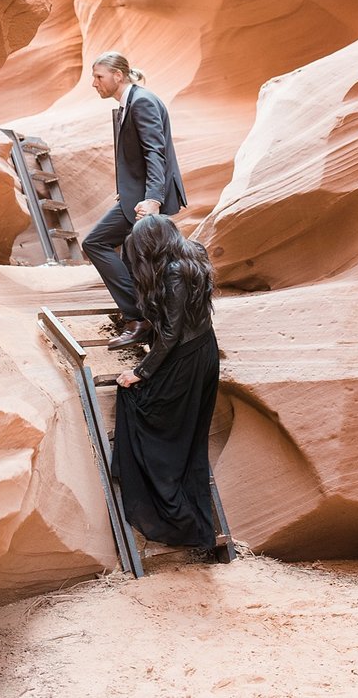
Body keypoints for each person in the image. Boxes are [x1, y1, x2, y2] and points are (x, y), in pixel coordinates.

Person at [112, 215, 219, 550]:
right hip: (204, 351)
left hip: (185, 357)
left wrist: (139, 372)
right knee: (190, 439)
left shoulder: (172, 273)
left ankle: (173, 513)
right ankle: (193, 515)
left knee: (135, 401)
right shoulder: (194, 254)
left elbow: (171, 334)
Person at [82, 52, 187, 350]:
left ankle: (138, 318)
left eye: (98, 76)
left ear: (118, 76)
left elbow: (155, 152)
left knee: (95, 243)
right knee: (132, 257)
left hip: (147, 198)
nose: (94, 83)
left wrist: (153, 198)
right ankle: (146, 318)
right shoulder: (130, 102)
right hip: (136, 196)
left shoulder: (141, 102)